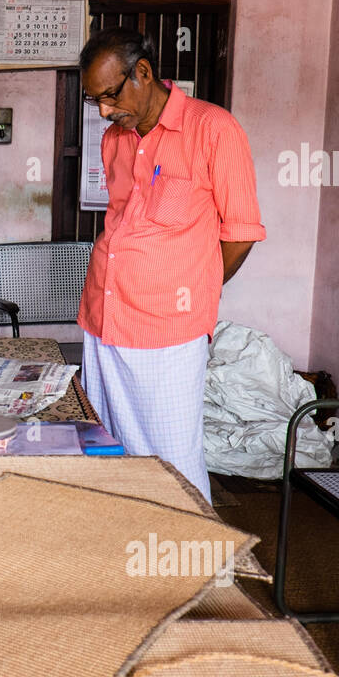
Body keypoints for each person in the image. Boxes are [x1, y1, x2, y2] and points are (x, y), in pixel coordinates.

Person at [76, 28, 264, 503]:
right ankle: (130, 553)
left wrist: (192, 287)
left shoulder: (213, 129)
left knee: (170, 461)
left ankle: (191, 564)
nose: (103, 111)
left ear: (143, 72)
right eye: (93, 100)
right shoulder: (117, 139)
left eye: (109, 95)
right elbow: (122, 220)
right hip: (104, 318)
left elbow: (240, 232)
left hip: (168, 330)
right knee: (109, 447)